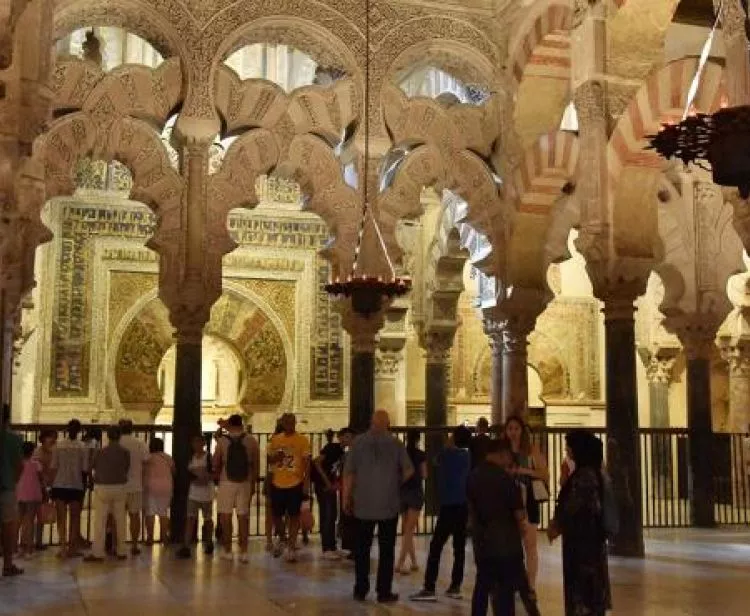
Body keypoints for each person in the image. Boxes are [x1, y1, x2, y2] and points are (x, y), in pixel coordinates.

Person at [343, 409, 414, 604]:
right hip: (388, 505)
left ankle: (360, 589)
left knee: (362, 550)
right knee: (386, 551)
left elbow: (349, 474)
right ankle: (383, 592)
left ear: (371, 422)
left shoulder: (357, 443)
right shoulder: (396, 443)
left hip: (363, 506)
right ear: (388, 424)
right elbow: (409, 470)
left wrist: (346, 498)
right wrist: (395, 481)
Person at [468, 438, 540, 616]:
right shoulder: (505, 480)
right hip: (507, 545)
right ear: (503, 454)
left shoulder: (473, 476)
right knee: (515, 589)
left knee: (482, 587)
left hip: (482, 543)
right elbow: (519, 514)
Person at [548, 430, 611, 616]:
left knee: (584, 589)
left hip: (584, 543)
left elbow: (573, 506)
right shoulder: (586, 472)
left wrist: (557, 524)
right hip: (584, 541)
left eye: (570, 445)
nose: (567, 449)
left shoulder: (585, 475)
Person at [411, 425, 472, 602]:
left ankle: (429, 587)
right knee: (459, 548)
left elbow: (436, 462)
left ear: (454, 439)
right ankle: (455, 586)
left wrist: (447, 446)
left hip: (447, 506)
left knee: (436, 546)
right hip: (463, 506)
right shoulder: (468, 457)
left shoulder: (446, 455)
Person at [505, 415, 549, 590]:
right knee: (510, 547)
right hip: (508, 500)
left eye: (516, 428)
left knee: (530, 545)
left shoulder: (532, 450)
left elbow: (544, 474)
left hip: (528, 499)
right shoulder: (503, 451)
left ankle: (530, 585)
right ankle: (514, 583)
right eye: (510, 429)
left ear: (522, 431)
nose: (513, 432)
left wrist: (523, 470)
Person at [212, 414, 259, 563]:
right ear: (242, 424)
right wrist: (253, 484)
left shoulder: (222, 441)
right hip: (245, 482)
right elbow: (256, 464)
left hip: (226, 481)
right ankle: (244, 552)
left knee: (225, 516)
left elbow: (215, 462)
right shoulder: (251, 440)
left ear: (230, 425)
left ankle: (228, 551)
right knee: (243, 517)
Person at [267, 412, 310, 563]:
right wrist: (275, 458)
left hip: (295, 482)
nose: (289, 425)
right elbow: (269, 459)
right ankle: (283, 538)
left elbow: (307, 462)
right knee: (276, 516)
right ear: (283, 424)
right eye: (287, 422)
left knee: (294, 516)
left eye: (292, 422)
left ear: (295, 423)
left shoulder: (302, 440)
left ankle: (291, 546)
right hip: (278, 481)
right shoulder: (275, 440)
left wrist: (306, 482)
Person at [85, 425, 130, 562]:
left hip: (103, 487)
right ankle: (121, 550)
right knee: (120, 520)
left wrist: (93, 481)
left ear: (108, 436)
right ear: (120, 436)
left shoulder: (100, 452)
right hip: (120, 487)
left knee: (100, 521)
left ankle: (98, 552)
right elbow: (126, 468)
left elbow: (90, 467)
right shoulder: (125, 452)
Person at [50, 419, 89, 558]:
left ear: (67, 430)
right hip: (76, 485)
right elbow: (84, 469)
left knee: (61, 518)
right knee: (75, 518)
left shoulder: (58, 446)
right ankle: (72, 548)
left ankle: (62, 548)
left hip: (59, 484)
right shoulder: (83, 447)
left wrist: (51, 485)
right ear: (79, 431)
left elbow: (54, 467)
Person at [177, 434, 214, 559]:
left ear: (203, 443)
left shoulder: (209, 457)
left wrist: (202, 475)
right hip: (193, 493)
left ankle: (209, 542)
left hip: (207, 493)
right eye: (194, 443)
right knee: (190, 518)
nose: (196, 445)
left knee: (208, 519)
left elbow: (212, 472)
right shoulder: (190, 457)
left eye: (199, 442)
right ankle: (186, 546)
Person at [312, 428, 345, 560]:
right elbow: (317, 462)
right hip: (322, 486)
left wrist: (335, 483)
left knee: (332, 515)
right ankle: (326, 548)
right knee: (327, 515)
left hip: (329, 486)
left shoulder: (342, 452)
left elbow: (335, 470)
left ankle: (332, 546)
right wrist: (327, 482)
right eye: (346, 437)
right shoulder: (332, 448)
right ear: (340, 437)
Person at [118, 419, 149, 556]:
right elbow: (146, 461)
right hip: (135, 485)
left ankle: (118, 545)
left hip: (118, 485)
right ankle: (135, 545)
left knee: (117, 517)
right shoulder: (140, 443)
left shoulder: (115, 443)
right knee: (134, 515)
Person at [1, 404, 24, 576]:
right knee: (8, 526)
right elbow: (19, 466)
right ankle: (8, 564)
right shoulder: (14, 439)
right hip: (7, 487)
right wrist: (13, 481)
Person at [143, 437, 174, 545]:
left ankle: (150, 538)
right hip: (166, 486)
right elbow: (174, 470)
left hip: (150, 487)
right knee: (163, 512)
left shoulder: (147, 458)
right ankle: (164, 537)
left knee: (150, 513)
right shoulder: (167, 458)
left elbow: (142, 471)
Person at [16, 442, 43, 558]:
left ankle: (17, 548)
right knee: (30, 522)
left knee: (18, 521)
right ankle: (29, 549)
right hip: (33, 494)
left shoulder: (18, 464)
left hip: (20, 494)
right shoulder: (36, 464)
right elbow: (41, 479)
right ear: (32, 451)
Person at [336, 427, 356, 558]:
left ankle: (355, 548)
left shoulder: (351, 455)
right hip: (349, 489)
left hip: (352, 491)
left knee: (353, 520)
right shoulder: (348, 454)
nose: (341, 441)